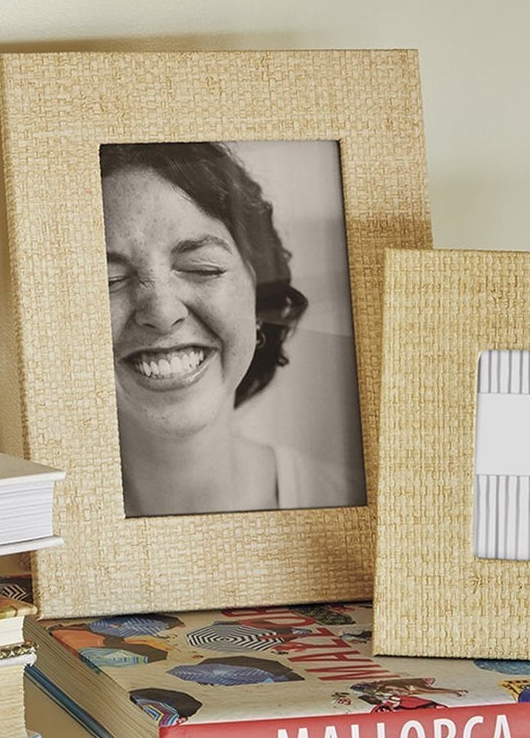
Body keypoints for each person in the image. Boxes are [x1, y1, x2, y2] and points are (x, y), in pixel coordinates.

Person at [101, 141, 351, 517]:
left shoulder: (353, 502)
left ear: (259, 297)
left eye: (202, 268)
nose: (162, 313)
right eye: (110, 280)